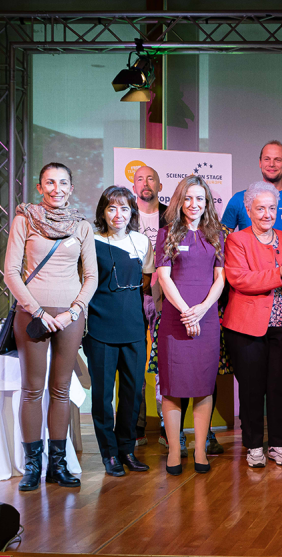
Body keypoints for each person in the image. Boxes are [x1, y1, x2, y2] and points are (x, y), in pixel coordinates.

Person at [3, 162, 97, 492]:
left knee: (60, 391)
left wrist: (73, 312)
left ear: (71, 188)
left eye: (63, 183)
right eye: (49, 183)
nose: (56, 188)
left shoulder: (82, 227)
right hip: (33, 316)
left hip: (70, 317)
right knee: (32, 390)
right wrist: (39, 311)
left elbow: (91, 277)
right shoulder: (24, 219)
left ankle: (58, 466)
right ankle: (33, 466)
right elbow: (11, 273)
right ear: (40, 187)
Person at [224, 182, 282, 468]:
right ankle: (255, 445)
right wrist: (279, 273)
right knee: (252, 389)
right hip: (248, 328)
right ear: (248, 210)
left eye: (272, 207)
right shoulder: (237, 241)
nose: (267, 214)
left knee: (280, 387)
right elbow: (239, 279)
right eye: (260, 208)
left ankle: (278, 444)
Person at [155, 176, 226, 476]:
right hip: (176, 318)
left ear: (207, 202)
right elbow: (163, 276)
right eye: (188, 198)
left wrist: (202, 310)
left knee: (203, 385)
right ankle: (174, 449)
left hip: (207, 317)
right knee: (172, 388)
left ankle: (199, 450)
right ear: (179, 200)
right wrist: (186, 311)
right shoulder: (166, 233)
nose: (194, 204)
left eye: (200, 199)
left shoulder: (216, 234)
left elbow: (220, 278)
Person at [84, 186, 153, 477]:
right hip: (99, 326)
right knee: (102, 397)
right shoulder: (91, 241)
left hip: (134, 326)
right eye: (111, 208)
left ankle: (127, 450)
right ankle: (109, 454)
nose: (118, 214)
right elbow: (84, 281)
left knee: (133, 393)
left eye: (124, 208)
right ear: (103, 212)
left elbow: (147, 281)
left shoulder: (141, 241)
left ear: (132, 212)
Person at [132, 164, 167, 448]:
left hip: (165, 294)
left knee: (165, 359)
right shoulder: (123, 215)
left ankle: (169, 426)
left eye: (151, 178)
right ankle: (136, 424)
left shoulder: (172, 215)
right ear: (134, 187)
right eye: (140, 179)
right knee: (134, 360)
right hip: (131, 295)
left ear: (160, 186)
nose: (146, 183)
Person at [221, 140, 282, 232]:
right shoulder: (240, 199)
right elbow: (223, 238)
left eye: (278, 160)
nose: (271, 164)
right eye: (267, 159)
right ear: (260, 163)